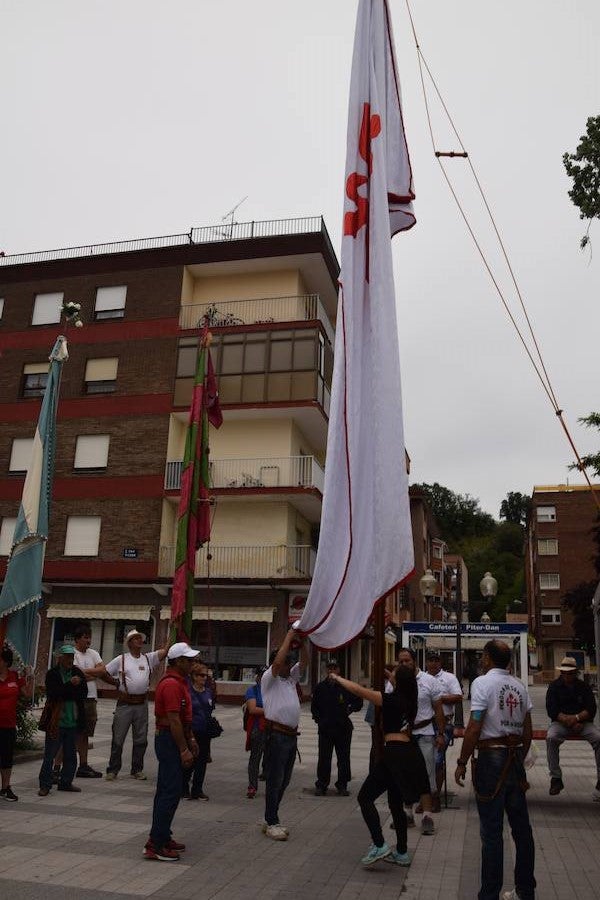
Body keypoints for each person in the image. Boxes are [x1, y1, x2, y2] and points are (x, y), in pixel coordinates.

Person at [454, 639, 536, 900]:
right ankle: (525, 890)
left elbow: (475, 725)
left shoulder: (482, 683)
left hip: (492, 759)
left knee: (491, 831)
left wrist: (462, 761)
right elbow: (528, 729)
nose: (481, 660)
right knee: (521, 829)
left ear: (488, 658)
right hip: (514, 760)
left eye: (483, 657)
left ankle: (489, 893)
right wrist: (520, 756)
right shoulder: (519, 686)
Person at [329, 664, 430, 867]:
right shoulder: (411, 699)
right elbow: (396, 676)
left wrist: (337, 678)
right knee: (395, 804)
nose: (389, 676)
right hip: (408, 752)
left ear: (398, 681)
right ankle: (401, 852)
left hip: (394, 754)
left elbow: (359, 691)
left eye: (393, 675)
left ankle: (379, 844)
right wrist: (389, 671)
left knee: (365, 797)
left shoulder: (391, 700)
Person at [144, 642, 199, 862]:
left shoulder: (179, 683)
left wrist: (191, 738)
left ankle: (162, 835)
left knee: (169, 790)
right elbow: (174, 720)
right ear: (178, 662)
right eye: (189, 660)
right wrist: (184, 749)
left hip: (173, 738)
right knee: (169, 791)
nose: (193, 663)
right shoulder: (171, 685)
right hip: (169, 739)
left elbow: (183, 720)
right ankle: (156, 844)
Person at [53, 624, 118, 782]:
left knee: (85, 733)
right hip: (75, 699)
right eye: (85, 637)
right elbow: (73, 672)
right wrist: (89, 674)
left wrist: (85, 673)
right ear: (77, 639)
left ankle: (83, 765)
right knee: (68, 733)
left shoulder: (93, 653)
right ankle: (56, 768)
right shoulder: (71, 654)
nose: (88, 640)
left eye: (89, 637)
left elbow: (102, 671)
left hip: (91, 698)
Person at [260, 627, 308, 840]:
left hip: (289, 736)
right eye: (287, 663)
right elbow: (278, 664)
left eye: (290, 663)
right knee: (274, 779)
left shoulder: (290, 680)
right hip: (276, 736)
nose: (289, 666)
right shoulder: (269, 679)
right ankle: (272, 821)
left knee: (285, 780)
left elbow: (305, 663)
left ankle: (271, 816)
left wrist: (304, 642)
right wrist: (289, 635)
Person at [103, 629, 169, 780]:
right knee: (118, 737)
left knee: (141, 738)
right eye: (136, 638)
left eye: (141, 638)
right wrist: (116, 683)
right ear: (130, 643)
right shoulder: (121, 659)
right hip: (124, 703)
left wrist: (170, 635)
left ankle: (137, 769)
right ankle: (112, 770)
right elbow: (105, 672)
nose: (140, 641)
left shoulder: (148, 658)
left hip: (141, 703)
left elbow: (164, 652)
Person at [396, 648, 445, 831]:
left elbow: (438, 709)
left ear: (415, 661)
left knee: (426, 774)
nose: (404, 664)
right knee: (405, 775)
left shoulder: (429, 681)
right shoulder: (395, 682)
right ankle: (407, 814)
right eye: (400, 661)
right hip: (403, 735)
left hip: (425, 733)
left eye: (407, 660)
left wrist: (440, 734)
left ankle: (427, 816)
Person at [545, 655, 600, 798]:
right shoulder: (554, 687)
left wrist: (577, 719)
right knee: (551, 738)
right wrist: (567, 720)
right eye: (564, 673)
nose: (567, 676)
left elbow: (591, 708)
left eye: (570, 673)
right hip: (561, 722)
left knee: (598, 738)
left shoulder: (584, 686)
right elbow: (552, 710)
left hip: (583, 722)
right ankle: (556, 778)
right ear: (561, 672)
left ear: (575, 673)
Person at [38, 645, 88, 796]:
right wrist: (69, 686)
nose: (70, 660)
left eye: (72, 657)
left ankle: (66, 782)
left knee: (71, 755)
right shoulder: (52, 674)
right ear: (59, 658)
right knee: (50, 755)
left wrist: (68, 690)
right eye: (67, 657)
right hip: (56, 722)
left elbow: (83, 693)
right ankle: (45, 784)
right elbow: (54, 694)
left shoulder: (77, 672)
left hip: (73, 721)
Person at [311, 659, 363, 796]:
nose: (331, 671)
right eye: (329, 668)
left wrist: (350, 708)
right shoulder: (320, 687)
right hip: (325, 729)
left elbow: (359, 701)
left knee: (344, 758)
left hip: (343, 729)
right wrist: (319, 721)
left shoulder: (346, 686)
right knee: (324, 758)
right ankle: (322, 785)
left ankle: (342, 785)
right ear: (326, 670)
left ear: (338, 670)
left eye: (334, 668)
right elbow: (314, 707)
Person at [425, 650, 463, 801]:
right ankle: (425, 795)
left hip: (444, 724)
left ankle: (435, 797)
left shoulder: (449, 678)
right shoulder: (421, 678)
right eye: (430, 660)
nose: (433, 663)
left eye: (436, 660)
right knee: (425, 761)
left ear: (440, 662)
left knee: (437, 760)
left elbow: (458, 696)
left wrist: (438, 699)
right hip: (424, 725)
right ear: (426, 662)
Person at [0, 646, 32, 801]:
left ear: (5, 662)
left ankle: (5, 788)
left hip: (8, 725)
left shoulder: (14, 676)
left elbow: (27, 694)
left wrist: (29, 677)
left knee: (6, 757)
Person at [182, 659, 214, 801]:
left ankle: (197, 789)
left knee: (202, 761)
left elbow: (210, 709)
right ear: (194, 676)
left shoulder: (208, 692)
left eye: (206, 676)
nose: (204, 678)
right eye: (201, 675)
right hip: (192, 730)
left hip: (205, 731)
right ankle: (183, 788)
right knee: (190, 761)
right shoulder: (188, 692)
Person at [244, 666, 266, 799]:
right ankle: (252, 786)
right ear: (257, 677)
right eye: (261, 675)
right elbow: (252, 709)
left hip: (273, 728)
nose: (263, 678)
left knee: (272, 759)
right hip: (258, 728)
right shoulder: (252, 690)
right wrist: (272, 711)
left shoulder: (273, 690)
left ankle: (273, 786)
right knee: (255, 758)